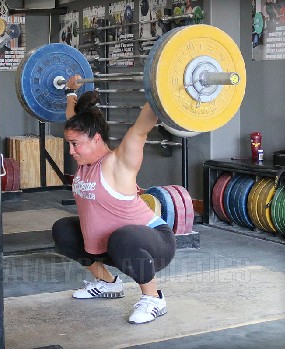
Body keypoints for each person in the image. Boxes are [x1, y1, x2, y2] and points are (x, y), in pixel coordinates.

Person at [52, 75, 176, 324]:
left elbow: (140, 128)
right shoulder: (84, 155)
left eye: (75, 145)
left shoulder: (117, 163)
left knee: (122, 238)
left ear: (96, 138)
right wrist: (70, 92)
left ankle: (154, 299)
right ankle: (107, 283)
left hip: (152, 243)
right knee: (63, 230)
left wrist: (163, 84)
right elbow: (73, 121)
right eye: (69, 144)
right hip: (111, 244)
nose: (71, 151)